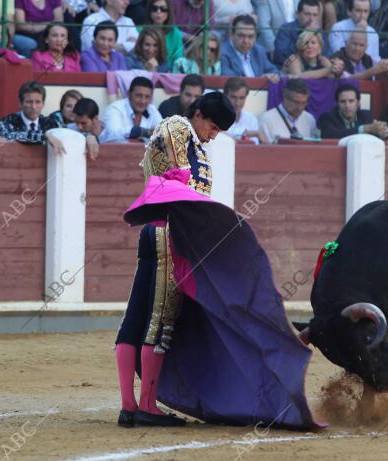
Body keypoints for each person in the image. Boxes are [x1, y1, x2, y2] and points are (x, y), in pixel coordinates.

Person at [117, 92, 320, 431]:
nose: (212, 135)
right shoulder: (177, 126)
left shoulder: (193, 140)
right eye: (211, 127)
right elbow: (178, 177)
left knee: (137, 318)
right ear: (196, 114)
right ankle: (146, 405)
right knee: (159, 321)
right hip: (170, 237)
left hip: (159, 232)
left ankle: (130, 406)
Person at [0, 81, 60, 146]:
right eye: (29, 102)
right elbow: (9, 135)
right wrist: (45, 136)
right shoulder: (8, 121)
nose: (33, 107)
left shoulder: (50, 123)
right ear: (20, 103)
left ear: (43, 103)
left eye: (38, 102)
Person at [100, 76, 163, 143]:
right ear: (129, 94)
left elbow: (164, 132)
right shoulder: (115, 108)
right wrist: (142, 132)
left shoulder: (152, 109)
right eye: (138, 95)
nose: (143, 101)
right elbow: (112, 134)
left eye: (147, 97)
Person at [317, 83, 388, 138]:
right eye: (342, 101)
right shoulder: (327, 117)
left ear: (358, 103)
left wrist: (382, 131)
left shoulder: (365, 115)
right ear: (337, 103)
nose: (347, 106)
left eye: (351, 101)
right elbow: (331, 135)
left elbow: (374, 134)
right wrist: (363, 129)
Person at [220, 15, 280, 80]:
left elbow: (275, 72)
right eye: (241, 36)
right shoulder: (222, 53)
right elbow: (231, 80)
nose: (246, 41)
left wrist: (270, 76)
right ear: (231, 35)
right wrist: (259, 80)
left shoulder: (258, 50)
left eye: (250, 36)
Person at [258, 78, 318, 142]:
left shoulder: (309, 119)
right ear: (284, 97)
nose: (299, 108)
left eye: (303, 103)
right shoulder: (266, 120)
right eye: (296, 102)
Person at [273, 0, 329, 67]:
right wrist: (303, 37)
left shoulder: (319, 32)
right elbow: (280, 57)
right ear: (297, 14)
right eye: (307, 14)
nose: (311, 19)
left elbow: (326, 55)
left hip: (315, 71)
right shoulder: (286, 29)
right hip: (291, 72)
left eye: (315, 15)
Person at [140, 0, 184, 68]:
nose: (158, 12)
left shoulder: (175, 33)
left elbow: (178, 60)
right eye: (154, 8)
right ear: (149, 11)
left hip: (167, 74)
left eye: (163, 9)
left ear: (169, 11)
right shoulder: (139, 30)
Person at [223, 77, 268, 144]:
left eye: (242, 98)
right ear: (225, 96)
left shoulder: (251, 118)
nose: (237, 103)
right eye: (233, 97)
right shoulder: (214, 118)